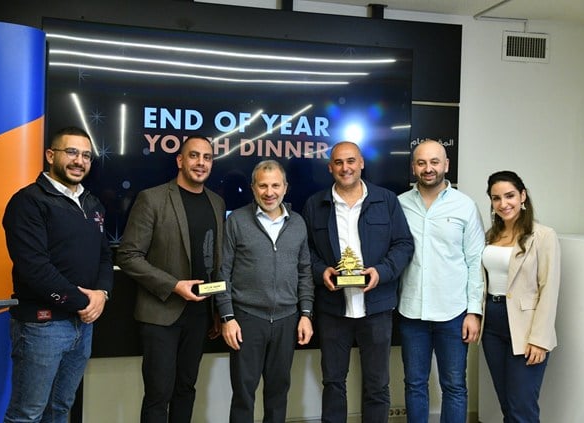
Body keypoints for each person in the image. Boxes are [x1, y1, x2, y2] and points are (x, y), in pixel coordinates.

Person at [2, 126, 113, 423]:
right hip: (42, 326)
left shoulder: (92, 203)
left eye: (86, 155)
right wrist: (85, 302)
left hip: (82, 326)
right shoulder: (28, 202)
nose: (79, 161)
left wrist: (102, 294)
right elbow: (34, 268)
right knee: (27, 414)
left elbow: (105, 256)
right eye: (72, 152)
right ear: (51, 156)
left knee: (60, 409)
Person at [302, 141, 414, 423]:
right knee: (333, 382)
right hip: (333, 308)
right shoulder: (315, 204)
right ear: (330, 167)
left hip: (376, 307)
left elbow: (403, 244)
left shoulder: (386, 200)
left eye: (351, 161)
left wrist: (382, 272)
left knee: (377, 385)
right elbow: (306, 252)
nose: (345, 168)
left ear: (361, 163)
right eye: (338, 162)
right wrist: (321, 271)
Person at [116, 135, 225, 423]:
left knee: (186, 389)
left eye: (207, 157)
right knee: (158, 394)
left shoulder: (216, 202)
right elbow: (128, 256)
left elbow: (215, 261)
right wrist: (174, 285)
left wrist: (217, 310)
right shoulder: (152, 199)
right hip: (161, 314)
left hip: (200, 315)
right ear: (180, 160)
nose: (201, 163)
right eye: (194, 156)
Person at [216, 159, 314, 423]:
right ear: (253, 188)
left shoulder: (298, 223)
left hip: (287, 320)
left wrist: (306, 314)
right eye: (263, 186)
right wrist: (227, 317)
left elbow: (305, 272)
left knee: (278, 394)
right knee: (243, 396)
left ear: (285, 188)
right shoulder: (236, 221)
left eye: (275, 186)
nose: (269, 192)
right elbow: (222, 273)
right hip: (246, 320)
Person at [397, 139, 485, 423]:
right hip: (412, 312)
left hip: (454, 313)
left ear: (446, 165)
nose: (428, 168)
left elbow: (475, 261)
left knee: (455, 386)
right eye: (421, 163)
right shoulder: (399, 204)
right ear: (413, 167)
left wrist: (474, 311)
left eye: (435, 162)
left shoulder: (465, 206)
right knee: (414, 384)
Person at [481, 170, 560, 422]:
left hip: (526, 327)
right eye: (496, 198)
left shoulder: (543, 235)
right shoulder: (490, 236)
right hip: (491, 324)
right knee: (507, 404)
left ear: (522, 196)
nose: (503, 204)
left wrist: (540, 339)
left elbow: (549, 289)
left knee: (521, 407)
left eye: (510, 195)